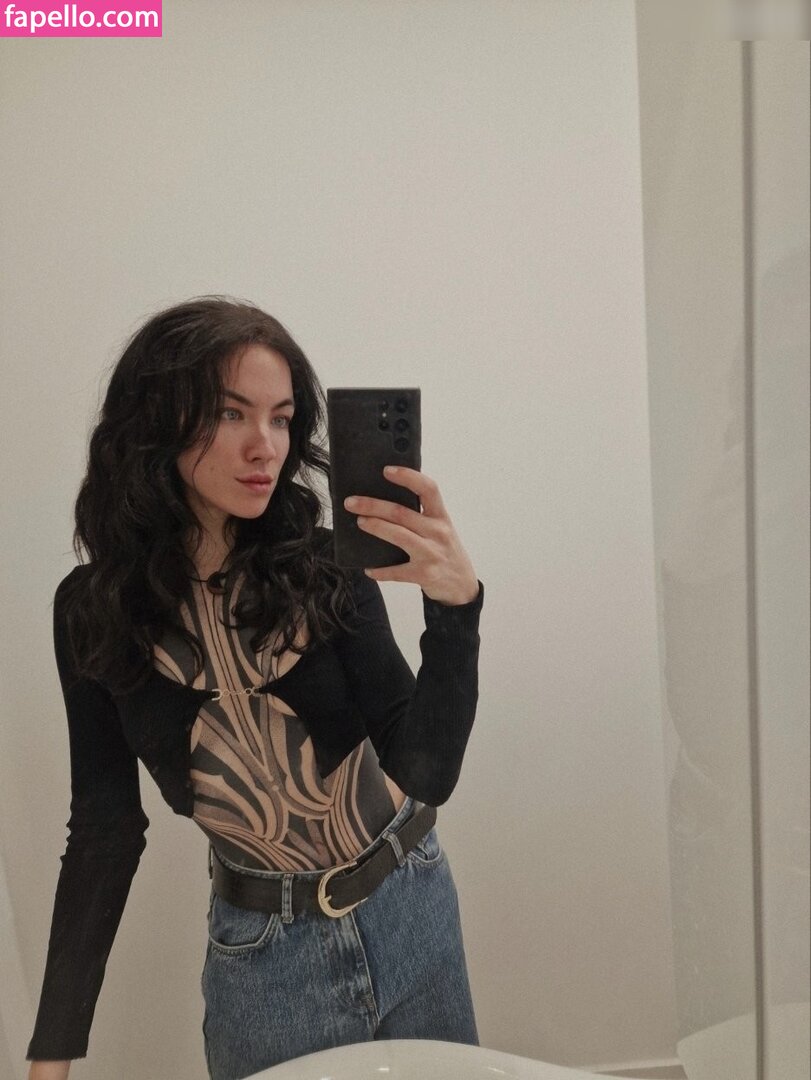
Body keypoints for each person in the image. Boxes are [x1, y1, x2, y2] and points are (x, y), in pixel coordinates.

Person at [26, 296, 484, 1080]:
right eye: (229, 413)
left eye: (280, 418)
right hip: (266, 960)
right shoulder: (93, 612)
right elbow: (104, 828)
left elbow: (425, 771)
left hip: (409, 905)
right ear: (156, 418)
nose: (263, 445)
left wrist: (455, 610)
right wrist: (52, 1052)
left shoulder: (323, 565)